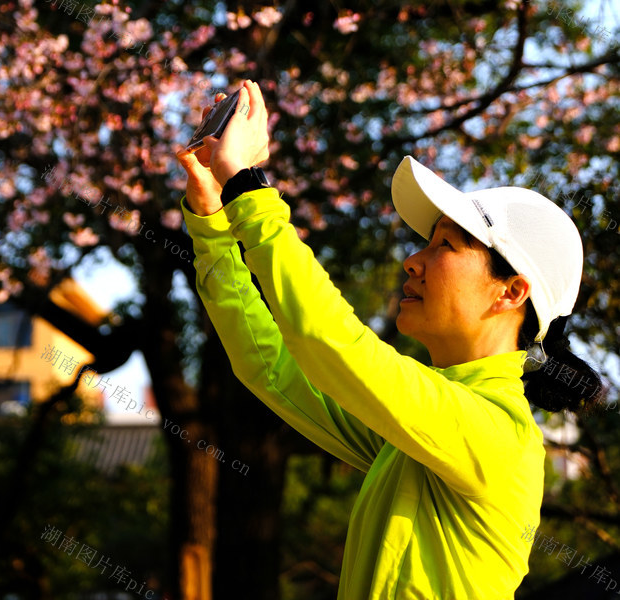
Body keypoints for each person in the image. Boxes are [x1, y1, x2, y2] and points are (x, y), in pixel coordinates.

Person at [176, 80, 603, 600]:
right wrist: (213, 224)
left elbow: (331, 342)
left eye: (446, 245)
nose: (413, 261)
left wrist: (246, 186)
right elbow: (274, 368)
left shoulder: (499, 432)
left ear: (511, 292)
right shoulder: (415, 435)